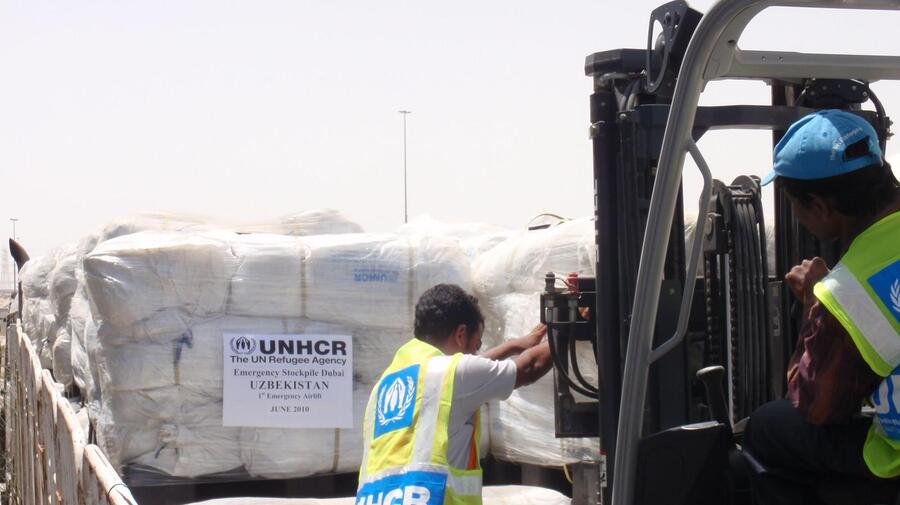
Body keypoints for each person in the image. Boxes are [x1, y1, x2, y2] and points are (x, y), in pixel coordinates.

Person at [743, 109, 900, 505]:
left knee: (767, 428)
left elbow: (816, 406)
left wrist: (816, 302)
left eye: (794, 206)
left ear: (819, 205)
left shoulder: (849, 292)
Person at [355, 283, 553, 505]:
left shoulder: (383, 386)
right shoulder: (453, 375)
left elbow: (464, 371)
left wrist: (512, 346)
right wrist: (567, 328)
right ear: (461, 334)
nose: (475, 354)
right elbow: (529, 368)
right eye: (476, 344)